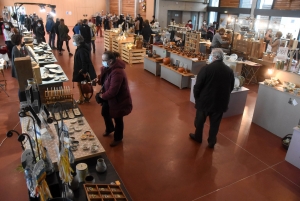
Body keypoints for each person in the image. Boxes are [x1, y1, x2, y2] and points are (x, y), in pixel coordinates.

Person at [190, 48, 234, 148]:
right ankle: (212, 141)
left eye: (211, 54)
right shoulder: (229, 70)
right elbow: (230, 87)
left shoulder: (206, 69)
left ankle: (198, 137)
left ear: (214, 56)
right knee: (215, 123)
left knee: (200, 121)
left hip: (205, 101)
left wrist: (197, 97)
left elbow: (198, 86)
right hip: (220, 102)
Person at [95, 51, 133, 147]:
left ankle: (118, 138)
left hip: (119, 100)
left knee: (118, 119)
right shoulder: (107, 68)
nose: (102, 62)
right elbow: (106, 80)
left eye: (104, 60)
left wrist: (101, 96)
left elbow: (113, 91)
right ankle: (109, 128)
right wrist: (98, 80)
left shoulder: (118, 72)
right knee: (105, 112)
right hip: (110, 98)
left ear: (111, 61)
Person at [72, 34, 97, 104]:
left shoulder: (81, 50)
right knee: (85, 84)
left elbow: (84, 61)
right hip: (82, 70)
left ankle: (81, 99)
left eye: (73, 40)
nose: (73, 42)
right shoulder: (82, 48)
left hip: (81, 71)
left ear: (78, 41)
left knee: (80, 85)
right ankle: (86, 97)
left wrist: (84, 71)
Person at [11, 34, 28, 101]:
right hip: (19, 71)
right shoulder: (15, 50)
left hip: (20, 70)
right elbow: (18, 61)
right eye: (22, 39)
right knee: (22, 86)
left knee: (23, 85)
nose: (23, 40)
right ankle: (22, 100)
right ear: (19, 40)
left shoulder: (18, 47)